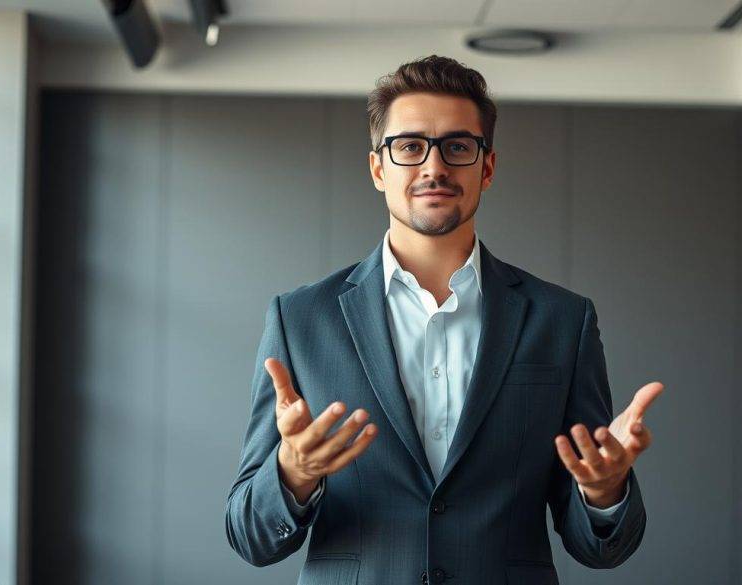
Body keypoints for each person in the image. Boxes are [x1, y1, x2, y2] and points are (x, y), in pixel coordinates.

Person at [225, 54, 664, 585]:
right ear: (378, 168)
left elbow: (600, 548)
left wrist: (604, 491)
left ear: (487, 167)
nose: (434, 167)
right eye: (410, 146)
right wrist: (294, 472)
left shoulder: (562, 321)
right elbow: (248, 535)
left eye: (457, 146)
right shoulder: (300, 319)